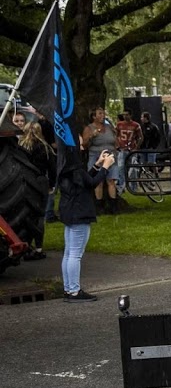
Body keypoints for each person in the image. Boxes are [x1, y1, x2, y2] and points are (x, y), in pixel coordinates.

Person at [58, 146, 116, 301]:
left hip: (69, 211)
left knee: (69, 252)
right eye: (80, 144)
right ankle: (75, 291)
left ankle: (68, 289)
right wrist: (105, 167)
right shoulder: (75, 167)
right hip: (80, 212)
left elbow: (85, 182)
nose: (82, 147)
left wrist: (97, 165)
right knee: (75, 254)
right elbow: (91, 184)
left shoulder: (66, 167)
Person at [17, 122, 56, 260]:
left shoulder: (20, 148)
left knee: (23, 214)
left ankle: (24, 243)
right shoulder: (45, 148)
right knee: (39, 215)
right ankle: (38, 247)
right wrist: (51, 185)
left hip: (23, 182)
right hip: (40, 182)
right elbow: (52, 168)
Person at [81, 108, 119, 213]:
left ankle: (113, 206)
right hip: (96, 156)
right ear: (94, 116)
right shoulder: (89, 128)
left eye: (103, 113)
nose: (103, 115)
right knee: (98, 182)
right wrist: (91, 136)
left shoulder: (109, 127)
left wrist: (116, 149)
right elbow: (84, 145)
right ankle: (99, 206)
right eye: (100, 113)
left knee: (111, 180)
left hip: (110, 155)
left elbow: (115, 141)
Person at [115, 110, 143, 193]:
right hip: (122, 149)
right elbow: (115, 135)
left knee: (133, 168)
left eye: (127, 115)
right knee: (120, 167)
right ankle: (121, 186)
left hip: (132, 149)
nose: (125, 116)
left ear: (130, 115)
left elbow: (141, 137)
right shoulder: (119, 124)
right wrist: (117, 145)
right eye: (124, 115)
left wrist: (136, 147)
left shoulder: (135, 125)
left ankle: (133, 186)